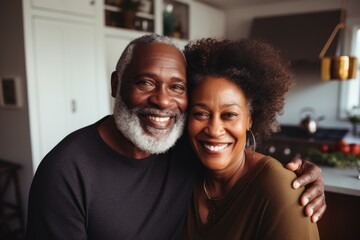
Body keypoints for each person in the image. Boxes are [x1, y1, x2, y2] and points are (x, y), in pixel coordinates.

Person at [26, 34, 325, 240]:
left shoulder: (180, 146)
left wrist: (301, 179)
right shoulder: (65, 171)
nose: (162, 101)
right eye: (145, 82)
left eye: (177, 88)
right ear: (117, 84)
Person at [182, 38, 320, 239]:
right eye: (200, 114)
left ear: (249, 120)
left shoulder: (280, 188)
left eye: (229, 115)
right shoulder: (183, 173)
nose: (214, 129)